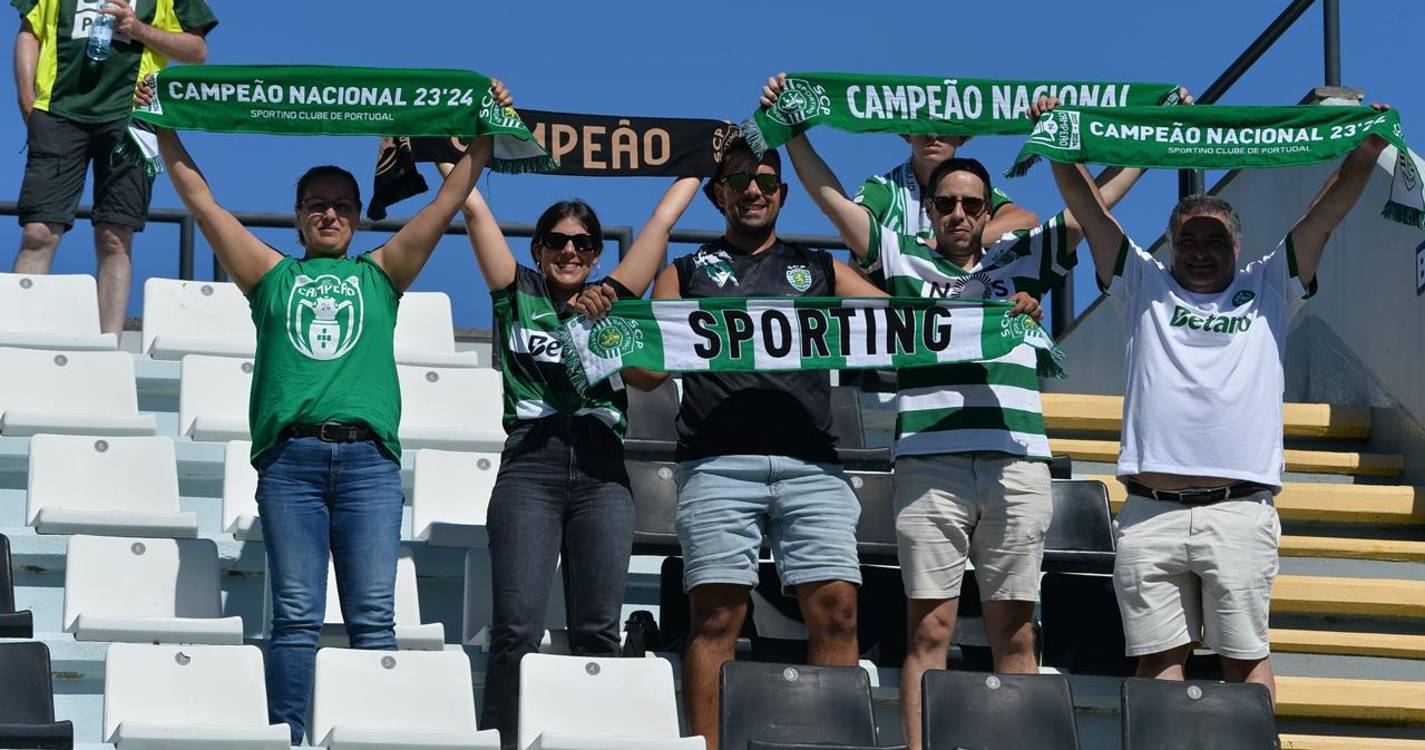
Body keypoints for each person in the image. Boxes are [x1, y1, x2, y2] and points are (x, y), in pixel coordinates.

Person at [768, 74, 1174, 750]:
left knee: (1014, 632)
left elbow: (1095, 206)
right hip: (928, 467)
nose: (958, 214)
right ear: (926, 210)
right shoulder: (900, 261)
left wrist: (1150, 138)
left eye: (971, 204)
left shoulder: (1024, 261)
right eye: (946, 203)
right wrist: (794, 129)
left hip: (1017, 465)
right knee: (926, 629)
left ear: (989, 212)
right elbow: (829, 196)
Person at [139, 76, 514, 744]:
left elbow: (449, 199)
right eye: (316, 205)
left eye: (341, 205)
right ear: (297, 214)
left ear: (359, 214)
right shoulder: (269, 276)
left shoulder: (383, 273)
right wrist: (161, 124)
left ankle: (367, 730)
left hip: (368, 462)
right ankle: (289, 733)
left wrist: (484, 131)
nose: (330, 215)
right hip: (291, 465)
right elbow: (201, 201)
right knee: (294, 615)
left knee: (373, 616)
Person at [1049, 97, 1392, 703]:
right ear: (1170, 244)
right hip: (1150, 513)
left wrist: (1364, 151)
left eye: (1214, 239)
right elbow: (1087, 210)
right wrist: (1055, 138)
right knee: (1157, 665)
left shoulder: (1269, 285)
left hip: (1238, 512)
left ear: (1238, 247)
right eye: (1188, 239)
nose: (1201, 250)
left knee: (1244, 664)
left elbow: (1325, 213)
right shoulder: (1143, 284)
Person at [599, 135, 883, 750]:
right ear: (717, 193)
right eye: (740, 182)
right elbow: (647, 373)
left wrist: (985, 316)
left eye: (766, 183)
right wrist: (618, 336)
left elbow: (902, 324)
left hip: (813, 464)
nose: (753, 191)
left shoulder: (825, 269)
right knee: (716, 617)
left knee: (837, 611)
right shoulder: (684, 271)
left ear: (782, 194)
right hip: (716, 464)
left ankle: (830, 744)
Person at [449, 162, 700, 749]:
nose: (569, 250)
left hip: (601, 470)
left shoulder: (614, 297)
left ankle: (593, 739)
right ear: (538, 249)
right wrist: (451, 140)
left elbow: (662, 222)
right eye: (557, 241)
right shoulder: (517, 293)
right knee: (515, 629)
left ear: (594, 253)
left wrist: (704, 159)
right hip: (530, 466)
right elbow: (473, 207)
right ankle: (504, 742)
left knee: (596, 629)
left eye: (582, 243)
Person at [13, 0, 216, 333]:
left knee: (115, 237)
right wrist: (27, 101)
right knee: (37, 233)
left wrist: (139, 30)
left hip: (134, 116)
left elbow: (197, 50)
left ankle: (109, 347)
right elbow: (29, 31)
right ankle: (14, 343)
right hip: (57, 114)